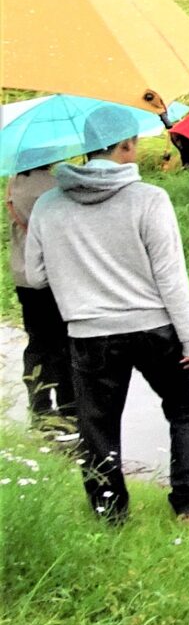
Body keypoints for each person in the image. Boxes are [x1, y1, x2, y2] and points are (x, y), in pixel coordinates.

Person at [22, 120, 189, 528]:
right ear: (126, 146)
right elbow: (170, 275)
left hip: (88, 333)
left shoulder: (48, 204)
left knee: (96, 427)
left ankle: (109, 515)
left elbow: (37, 276)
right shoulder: (149, 199)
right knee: (187, 409)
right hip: (155, 329)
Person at [8, 152, 77, 437]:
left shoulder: (14, 185)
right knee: (63, 342)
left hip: (23, 275)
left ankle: (39, 407)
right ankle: (69, 406)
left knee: (37, 342)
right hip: (53, 275)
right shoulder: (53, 188)